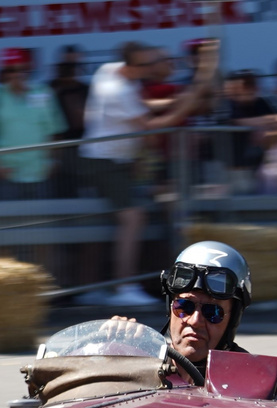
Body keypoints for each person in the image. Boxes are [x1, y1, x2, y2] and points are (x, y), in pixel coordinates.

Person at [80, 40, 219, 306]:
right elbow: (152, 128)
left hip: (117, 162)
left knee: (116, 220)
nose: (152, 68)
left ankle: (102, 286)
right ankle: (124, 286)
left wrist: (182, 98)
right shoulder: (117, 89)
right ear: (132, 66)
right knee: (133, 218)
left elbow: (144, 106)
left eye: (154, 61)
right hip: (106, 162)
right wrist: (186, 105)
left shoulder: (111, 71)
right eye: (147, 64)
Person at [0, 48, 64, 197]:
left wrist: (54, 163)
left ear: (29, 69)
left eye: (22, 69)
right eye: (11, 70)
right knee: (9, 219)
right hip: (7, 174)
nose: (17, 74)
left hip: (40, 172)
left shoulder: (43, 92)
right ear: (3, 73)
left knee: (45, 218)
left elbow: (55, 132)